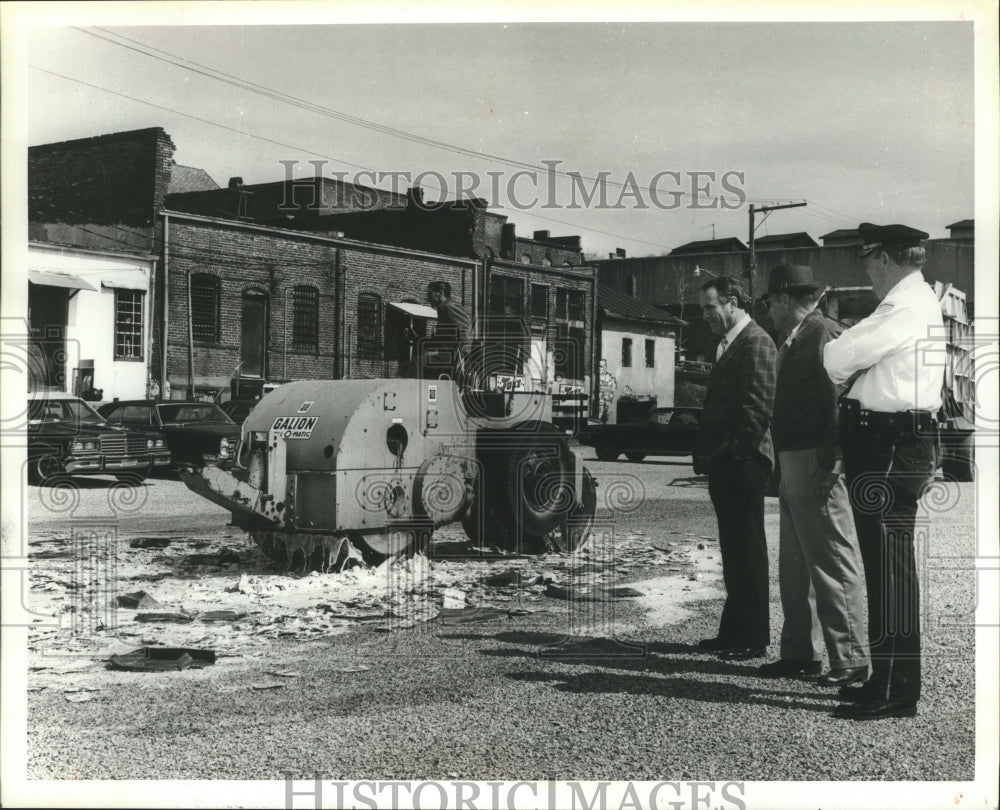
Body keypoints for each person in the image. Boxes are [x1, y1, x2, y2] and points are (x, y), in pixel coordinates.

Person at [823, 223, 943, 721]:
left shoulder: (903, 305)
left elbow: (836, 355)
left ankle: (895, 689)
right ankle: (888, 678)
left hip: (890, 445)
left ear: (890, 258)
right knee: (885, 566)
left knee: (889, 571)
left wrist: (847, 363)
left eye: (870, 259)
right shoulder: (913, 302)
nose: (867, 269)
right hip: (894, 442)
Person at [758, 264, 870, 685]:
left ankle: (851, 659)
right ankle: (800, 652)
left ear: (785, 299)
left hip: (815, 460)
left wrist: (834, 460)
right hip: (793, 459)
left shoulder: (821, 333)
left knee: (831, 561)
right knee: (796, 564)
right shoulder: (799, 337)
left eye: (770, 302)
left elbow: (839, 402)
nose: (767, 311)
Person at [694, 276, 777, 661]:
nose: (705, 316)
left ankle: (753, 637)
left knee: (747, 550)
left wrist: (734, 454)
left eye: (710, 308)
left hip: (743, 464)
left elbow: (758, 407)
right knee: (735, 550)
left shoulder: (756, 341)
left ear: (731, 302)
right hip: (729, 464)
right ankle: (734, 632)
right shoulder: (728, 342)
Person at [426, 281, 473, 384]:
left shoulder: (449, 306)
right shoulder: (443, 308)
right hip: (445, 355)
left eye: (430, 294)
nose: (427, 298)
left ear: (440, 293)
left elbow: (466, 330)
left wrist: (462, 356)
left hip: (451, 357)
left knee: (418, 363)